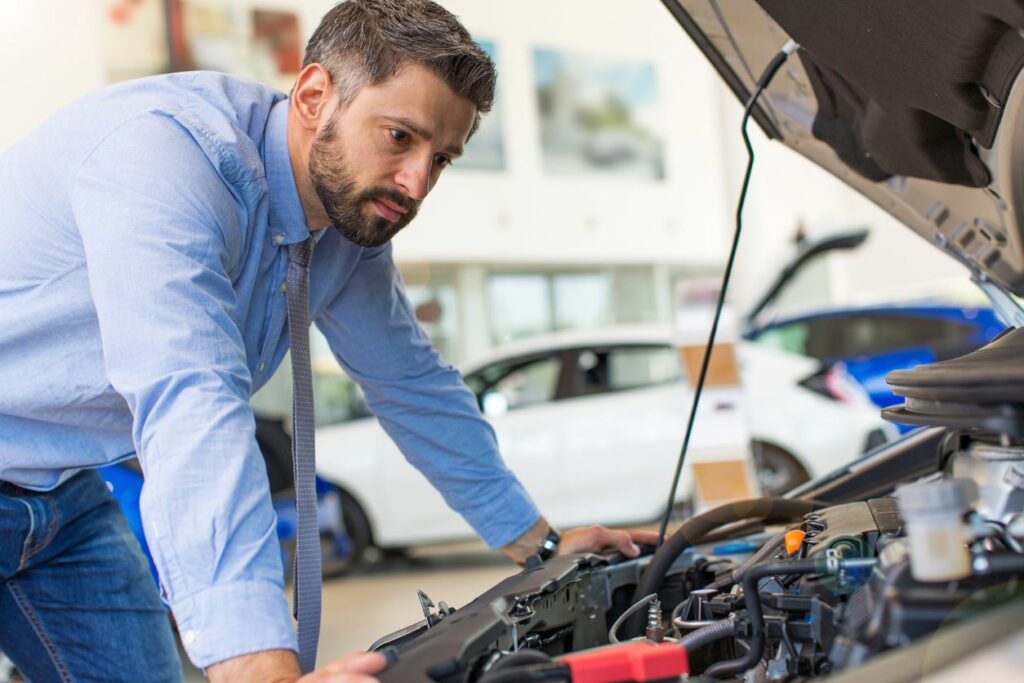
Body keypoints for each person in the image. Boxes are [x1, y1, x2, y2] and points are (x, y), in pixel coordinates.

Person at [0, 1, 655, 681]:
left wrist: (542, 546)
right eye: (400, 136)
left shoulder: (346, 227)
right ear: (314, 95)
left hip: (62, 499)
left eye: (442, 159)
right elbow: (192, 400)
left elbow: (412, 383)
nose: (416, 183)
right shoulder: (165, 158)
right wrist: (260, 668)